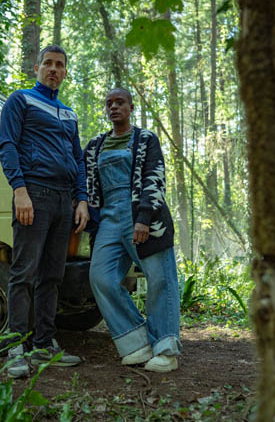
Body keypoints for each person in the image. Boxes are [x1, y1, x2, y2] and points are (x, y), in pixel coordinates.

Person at [0, 45, 89, 378]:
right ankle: (15, 347)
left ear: (65, 72)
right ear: (36, 68)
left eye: (60, 65)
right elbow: (6, 144)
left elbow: (77, 159)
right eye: (48, 64)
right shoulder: (20, 101)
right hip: (33, 195)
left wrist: (81, 199)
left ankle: (44, 345)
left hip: (65, 202)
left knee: (52, 276)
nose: (53, 69)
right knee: (23, 272)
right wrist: (20, 191)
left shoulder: (69, 114)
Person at [84, 88, 181, 372]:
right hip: (109, 219)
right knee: (100, 276)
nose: (114, 107)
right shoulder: (95, 145)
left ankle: (166, 348)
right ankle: (137, 343)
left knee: (160, 278)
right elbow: (87, 181)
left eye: (120, 102)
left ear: (131, 107)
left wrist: (144, 218)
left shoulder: (146, 138)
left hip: (142, 214)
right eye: (109, 104)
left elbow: (155, 176)